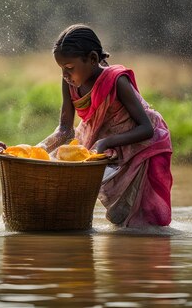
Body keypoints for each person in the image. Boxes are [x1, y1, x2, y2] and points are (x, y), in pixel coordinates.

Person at [36, 24, 174, 227]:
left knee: (145, 221)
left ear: (92, 59)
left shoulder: (116, 81)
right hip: (108, 146)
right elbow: (65, 130)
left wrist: (106, 142)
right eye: (62, 69)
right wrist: (33, 151)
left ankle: (147, 253)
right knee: (121, 217)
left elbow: (147, 129)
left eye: (70, 68)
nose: (65, 74)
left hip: (144, 147)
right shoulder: (70, 83)